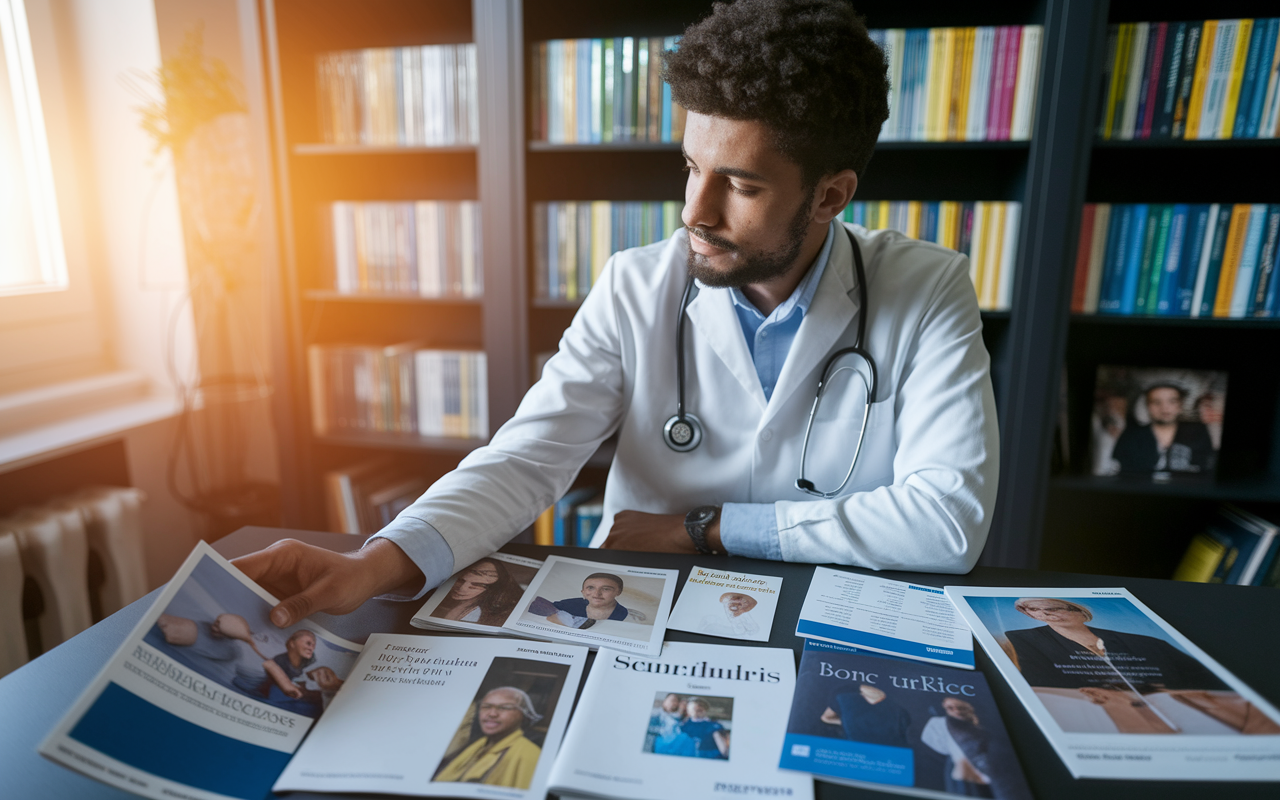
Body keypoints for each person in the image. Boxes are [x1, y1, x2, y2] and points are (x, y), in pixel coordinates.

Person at [233, 0, 1000, 631]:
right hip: (642, 609)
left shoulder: (928, 288)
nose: (694, 211)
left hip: (831, 618)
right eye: (692, 167)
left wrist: (706, 528)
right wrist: (372, 564)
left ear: (830, 195)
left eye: (739, 184)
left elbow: (946, 521)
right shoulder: (636, 285)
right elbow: (529, 460)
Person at [1002, 598, 1280, 735]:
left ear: (1080, 612)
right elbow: (1039, 685)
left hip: (1192, 713)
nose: (1044, 614)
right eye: (1034, 610)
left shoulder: (1145, 642)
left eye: (1053, 608)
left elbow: (1207, 680)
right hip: (1094, 719)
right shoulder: (1019, 641)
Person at [434, 687, 544, 789]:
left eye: (504, 708)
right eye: (486, 707)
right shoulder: (475, 745)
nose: (492, 714)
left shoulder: (530, 754)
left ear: (524, 714)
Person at [1110, 383, 1215, 476]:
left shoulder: (1198, 433)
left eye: (1172, 401)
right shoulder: (1131, 436)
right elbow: (1122, 474)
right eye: (1156, 402)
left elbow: (1207, 470)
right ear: (1147, 405)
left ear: (1180, 405)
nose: (1164, 408)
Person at [921, 697, 994, 798]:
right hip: (963, 777)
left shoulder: (984, 728)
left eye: (961, 708)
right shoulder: (940, 724)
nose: (957, 711)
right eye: (950, 708)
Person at [430, 558, 524, 626]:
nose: (462, 588)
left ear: (492, 589)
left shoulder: (475, 613)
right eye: (460, 580)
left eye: (477, 585)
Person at [821, 684, 911, 747]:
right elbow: (826, 718)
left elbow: (826, 718)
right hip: (887, 753)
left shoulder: (844, 694)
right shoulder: (845, 693)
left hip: (858, 751)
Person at [532, 573, 628, 629]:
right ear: (583, 591)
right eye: (591, 588)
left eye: (606, 589)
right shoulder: (569, 605)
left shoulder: (622, 612)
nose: (597, 594)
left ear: (618, 592)